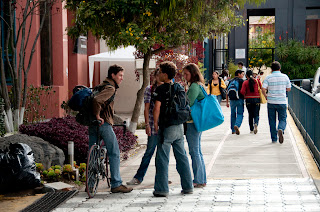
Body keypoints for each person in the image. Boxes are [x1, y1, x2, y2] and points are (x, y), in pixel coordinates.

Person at [89, 64, 133, 193]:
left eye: (122, 76)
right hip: (103, 124)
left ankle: (90, 184)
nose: (122, 78)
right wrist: (98, 115)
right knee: (114, 152)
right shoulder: (110, 88)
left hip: (92, 124)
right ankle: (116, 183)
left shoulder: (100, 85)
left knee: (92, 153)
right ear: (112, 75)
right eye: (120, 75)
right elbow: (97, 100)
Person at [153, 61, 193, 197]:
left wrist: (155, 124)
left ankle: (162, 189)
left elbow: (156, 108)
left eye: (160, 72)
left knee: (162, 158)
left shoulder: (161, 89)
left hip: (167, 126)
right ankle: (188, 187)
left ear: (165, 74)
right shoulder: (179, 87)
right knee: (182, 157)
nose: (158, 74)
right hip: (180, 127)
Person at [126, 69, 163, 185]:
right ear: (155, 77)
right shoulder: (150, 89)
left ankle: (162, 177)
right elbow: (146, 108)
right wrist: (147, 124)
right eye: (158, 76)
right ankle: (138, 177)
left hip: (165, 126)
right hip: (153, 125)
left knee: (162, 154)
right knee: (149, 152)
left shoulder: (168, 88)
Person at [183, 63, 207, 188]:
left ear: (193, 74)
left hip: (192, 122)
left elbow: (188, 104)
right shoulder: (199, 85)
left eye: (186, 74)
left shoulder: (193, 87)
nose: (185, 77)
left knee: (194, 151)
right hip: (197, 122)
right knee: (197, 151)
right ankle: (201, 178)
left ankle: (198, 179)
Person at [262, 61, 291, 143]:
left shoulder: (268, 77)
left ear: (271, 69)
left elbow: (263, 88)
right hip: (282, 101)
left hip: (271, 101)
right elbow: (289, 88)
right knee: (282, 119)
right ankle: (281, 129)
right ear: (280, 68)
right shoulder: (285, 77)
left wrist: (266, 96)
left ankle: (274, 138)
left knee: (272, 120)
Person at [240, 70, 262, 134]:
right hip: (257, 99)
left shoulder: (245, 82)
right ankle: (256, 123)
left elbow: (242, 91)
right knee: (256, 113)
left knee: (250, 114)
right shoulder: (257, 81)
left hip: (248, 99)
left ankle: (251, 129)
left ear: (246, 76)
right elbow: (261, 87)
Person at [226, 70, 245, 135]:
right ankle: (237, 125)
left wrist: (227, 101)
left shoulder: (231, 81)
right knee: (240, 113)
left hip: (232, 100)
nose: (243, 75)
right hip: (239, 99)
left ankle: (233, 130)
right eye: (242, 74)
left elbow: (227, 91)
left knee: (233, 114)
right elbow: (243, 91)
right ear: (239, 74)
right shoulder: (241, 81)